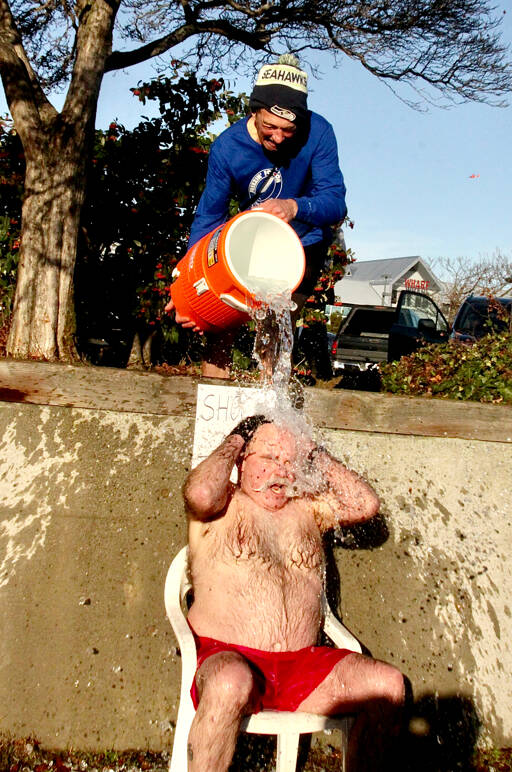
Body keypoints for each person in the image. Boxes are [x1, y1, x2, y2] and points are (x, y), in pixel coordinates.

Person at [183, 416, 406, 771]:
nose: (280, 470)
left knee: (388, 685)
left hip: (302, 667)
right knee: (229, 682)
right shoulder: (220, 506)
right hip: (227, 659)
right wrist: (237, 438)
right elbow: (199, 492)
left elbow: (364, 504)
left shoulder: (308, 510)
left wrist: (313, 452)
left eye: (289, 461)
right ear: (242, 461)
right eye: (268, 458)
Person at [166, 54, 347, 378]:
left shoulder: (318, 133)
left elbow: (335, 201)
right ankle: (213, 423)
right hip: (247, 243)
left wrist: (293, 207)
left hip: (301, 245)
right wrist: (187, 285)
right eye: (270, 127)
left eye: (288, 130)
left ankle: (270, 420)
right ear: (255, 111)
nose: (278, 137)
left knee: (275, 334)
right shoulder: (228, 147)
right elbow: (209, 216)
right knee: (218, 328)